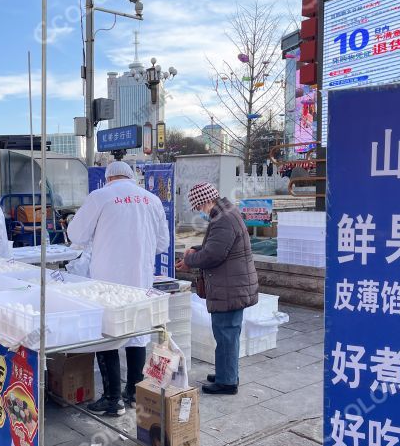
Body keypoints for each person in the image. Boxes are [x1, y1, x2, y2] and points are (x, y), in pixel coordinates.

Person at [68, 161, 169, 416]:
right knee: (137, 331)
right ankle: (134, 393)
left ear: (108, 177)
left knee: (108, 334)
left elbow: (76, 234)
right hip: (140, 280)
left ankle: (113, 398)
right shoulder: (152, 200)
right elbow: (162, 244)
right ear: (131, 176)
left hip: (107, 281)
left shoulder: (100, 196)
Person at [175, 182, 259, 396]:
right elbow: (216, 246)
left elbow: (214, 255)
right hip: (232, 284)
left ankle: (227, 382)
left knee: (226, 334)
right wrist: (195, 252)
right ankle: (226, 373)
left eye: (199, 207)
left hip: (230, 287)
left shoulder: (223, 219)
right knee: (226, 334)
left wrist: (191, 259)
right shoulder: (225, 213)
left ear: (205, 202)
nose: (200, 212)